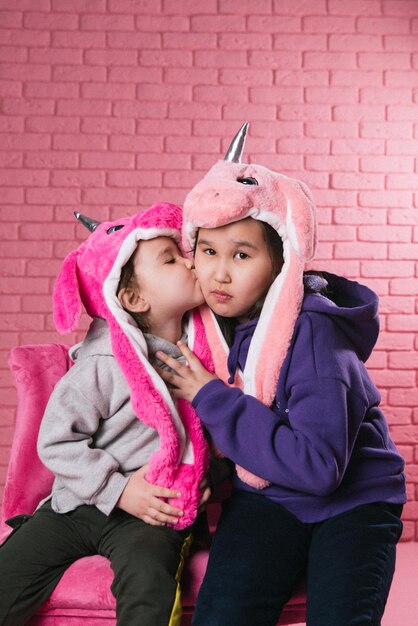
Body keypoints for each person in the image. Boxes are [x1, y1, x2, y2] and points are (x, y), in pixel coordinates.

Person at [156, 125, 406, 626]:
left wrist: (211, 395)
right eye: (208, 252)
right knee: (223, 614)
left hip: (350, 502)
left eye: (242, 255)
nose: (220, 274)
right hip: (267, 500)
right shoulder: (216, 330)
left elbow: (318, 468)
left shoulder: (313, 335)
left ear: (280, 265)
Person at [0, 203, 213, 626]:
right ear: (132, 297)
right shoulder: (103, 364)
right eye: (171, 259)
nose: (190, 261)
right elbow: (57, 441)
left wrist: (207, 480)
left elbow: (213, 436)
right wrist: (118, 490)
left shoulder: (207, 357)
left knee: (149, 581)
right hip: (78, 505)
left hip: (150, 513)